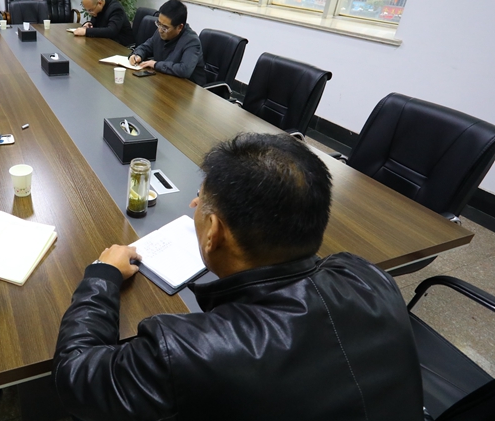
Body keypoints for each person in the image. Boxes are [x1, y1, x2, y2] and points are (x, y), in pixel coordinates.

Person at [53, 133, 423, 421]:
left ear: (213, 232)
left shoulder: (189, 350)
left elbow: (76, 376)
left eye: (200, 199)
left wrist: (102, 275)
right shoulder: (368, 275)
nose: (194, 205)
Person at [129, 0, 206, 85]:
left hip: (188, 88)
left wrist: (155, 65)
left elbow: (184, 70)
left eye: (165, 27)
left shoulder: (191, 41)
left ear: (180, 27)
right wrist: (137, 55)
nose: (160, 30)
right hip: (165, 81)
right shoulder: (161, 32)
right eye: (159, 24)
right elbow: (146, 47)